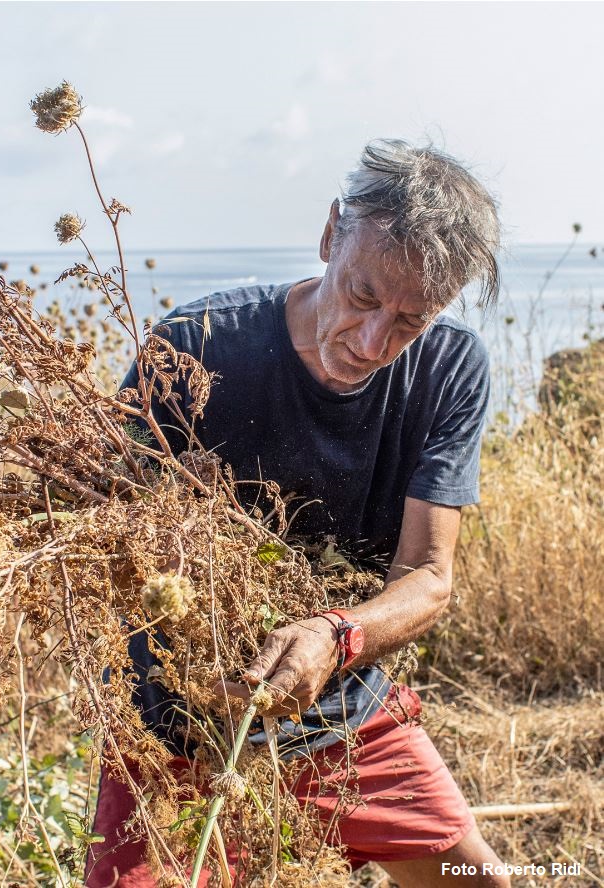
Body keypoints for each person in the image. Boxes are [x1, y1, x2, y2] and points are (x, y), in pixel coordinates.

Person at [87, 140, 511, 887]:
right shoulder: (196, 345)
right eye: (363, 295)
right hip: (178, 726)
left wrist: (336, 635)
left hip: (343, 712)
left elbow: (428, 576)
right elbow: (103, 523)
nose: (375, 342)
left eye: (411, 321)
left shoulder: (450, 368)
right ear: (329, 235)